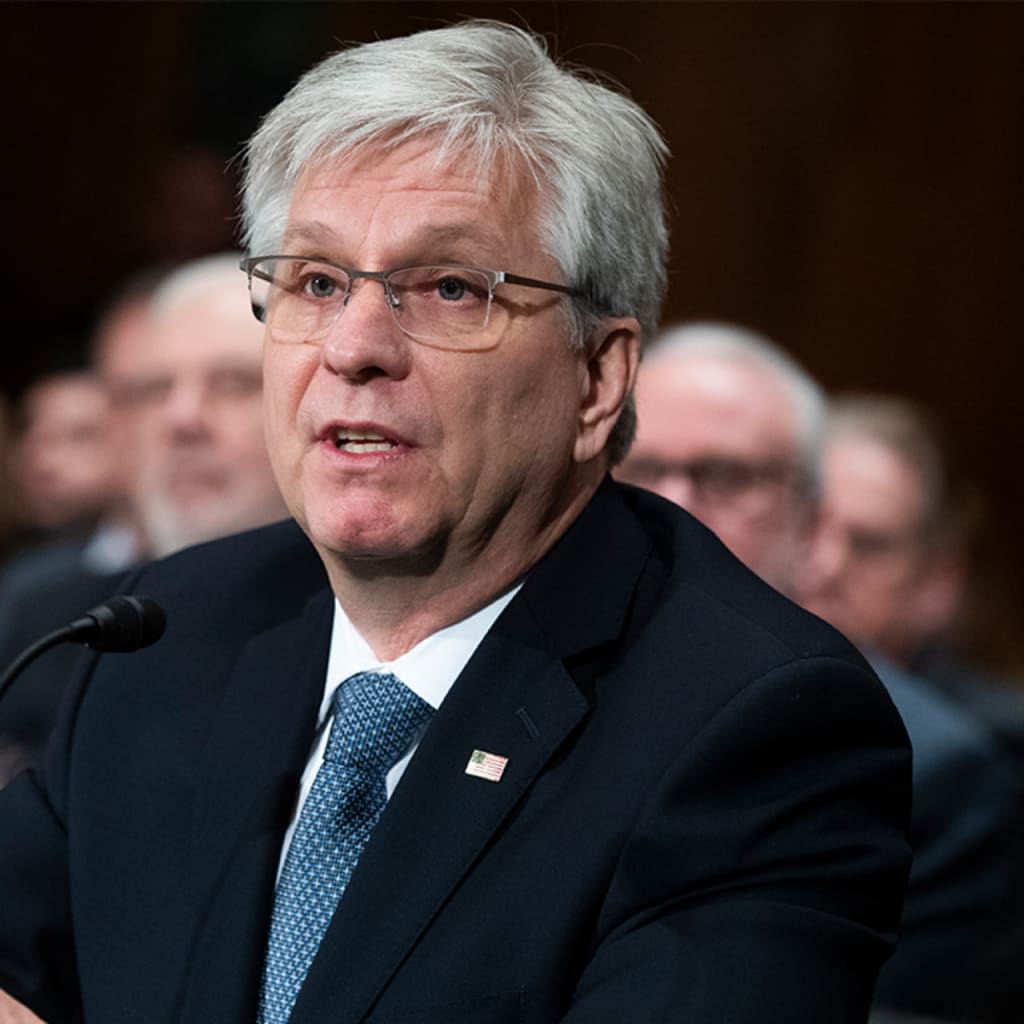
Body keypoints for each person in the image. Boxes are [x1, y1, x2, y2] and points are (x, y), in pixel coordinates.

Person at [0, 22, 911, 1024]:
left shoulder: (756, 727)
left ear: (597, 375)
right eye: (314, 281)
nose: (354, 348)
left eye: (447, 288)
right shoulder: (171, 629)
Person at [617, 322, 1023, 1021]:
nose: (675, 504)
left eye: (725, 476)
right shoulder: (524, 682)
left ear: (812, 523)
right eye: (643, 468)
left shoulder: (934, 768)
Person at [0, 255, 287, 785]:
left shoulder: (364, 631)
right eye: (153, 391)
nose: (181, 419)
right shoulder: (52, 623)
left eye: (232, 383)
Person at [803, 394, 1024, 768]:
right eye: (806, 530)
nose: (825, 565)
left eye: (869, 545)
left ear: (939, 579)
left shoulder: (986, 752)